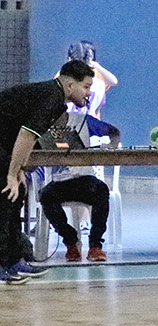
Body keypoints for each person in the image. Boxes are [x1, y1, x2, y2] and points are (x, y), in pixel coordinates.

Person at [1, 60, 95, 283]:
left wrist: (19, 170)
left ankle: (14, 261)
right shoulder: (51, 98)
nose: (88, 93)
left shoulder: (55, 99)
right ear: (70, 85)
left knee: (16, 196)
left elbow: (25, 137)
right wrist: (11, 174)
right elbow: (26, 135)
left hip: (4, 144)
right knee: (4, 199)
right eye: (86, 86)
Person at [37, 111, 120, 262]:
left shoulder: (83, 121)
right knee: (45, 195)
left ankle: (95, 245)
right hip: (57, 182)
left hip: (83, 179)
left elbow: (113, 132)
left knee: (101, 190)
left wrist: (111, 145)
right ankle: (70, 240)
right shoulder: (40, 125)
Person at [66, 40, 117, 119]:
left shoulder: (65, 79)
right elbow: (113, 81)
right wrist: (95, 65)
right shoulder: (99, 82)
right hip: (88, 123)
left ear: (70, 59)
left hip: (67, 122)